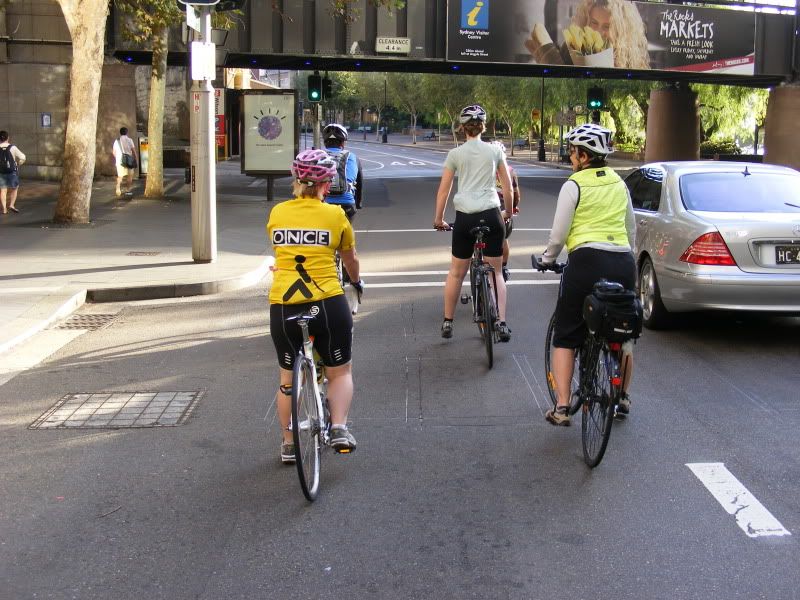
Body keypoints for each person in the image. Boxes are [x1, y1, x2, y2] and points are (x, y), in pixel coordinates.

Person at [267, 148, 364, 463]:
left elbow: (282, 251)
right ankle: (338, 427)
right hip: (327, 303)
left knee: (286, 379)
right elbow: (349, 260)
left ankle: (288, 444)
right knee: (340, 371)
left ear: (296, 180)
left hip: (283, 305)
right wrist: (356, 281)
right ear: (328, 184)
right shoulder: (335, 216)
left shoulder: (278, 213)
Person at [535, 123, 636, 426]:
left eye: (572, 151)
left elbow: (559, 234)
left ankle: (563, 406)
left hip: (586, 261)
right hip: (622, 261)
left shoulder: (574, 184)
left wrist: (547, 259)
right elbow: (631, 228)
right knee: (623, 333)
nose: (569, 155)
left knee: (566, 333)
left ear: (582, 155)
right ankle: (622, 397)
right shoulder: (620, 183)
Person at [434, 105, 514, 342]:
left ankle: (448, 321)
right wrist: (507, 212)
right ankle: (501, 322)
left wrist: (438, 219)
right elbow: (507, 187)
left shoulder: (455, 155)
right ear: (483, 126)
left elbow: (443, 191)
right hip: (491, 213)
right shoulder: (494, 152)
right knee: (496, 272)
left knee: (456, 272)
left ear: (462, 128)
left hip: (464, 218)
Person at [572, 0, 650, 70]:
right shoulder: (571, 50)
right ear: (586, 22)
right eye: (594, 23)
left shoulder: (631, 62)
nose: (599, 32)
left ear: (621, 31)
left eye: (607, 26)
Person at [490, 141, 522, 282]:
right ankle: (503, 267)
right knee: (503, 239)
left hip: (485, 207)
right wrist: (513, 207)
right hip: (503, 209)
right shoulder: (510, 171)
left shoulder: (483, 169)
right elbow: (515, 194)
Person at [321, 123, 362, 223]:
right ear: (343, 143)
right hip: (347, 205)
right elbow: (359, 182)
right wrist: (358, 204)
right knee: (346, 236)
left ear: (325, 142)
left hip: (323, 204)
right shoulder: (352, 157)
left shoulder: (318, 156)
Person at [0, 131, 26, 214]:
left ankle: (4, 209)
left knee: (3, 190)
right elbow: (23, 157)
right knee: (15, 188)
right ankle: (11, 205)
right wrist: (19, 163)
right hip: (12, 172)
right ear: (8, 138)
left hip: (1, 172)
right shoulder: (12, 147)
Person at [112, 127, 138, 197]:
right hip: (129, 161)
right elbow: (133, 151)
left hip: (119, 162)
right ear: (127, 132)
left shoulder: (116, 141)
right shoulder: (130, 140)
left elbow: (114, 152)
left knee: (120, 176)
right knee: (129, 177)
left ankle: (118, 189)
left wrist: (118, 158)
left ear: (120, 133)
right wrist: (135, 159)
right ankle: (128, 190)